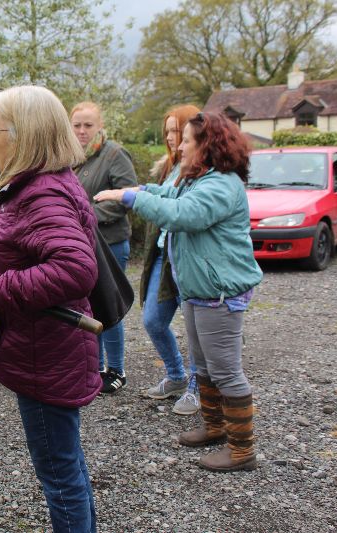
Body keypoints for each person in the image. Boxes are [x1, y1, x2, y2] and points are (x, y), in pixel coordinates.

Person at [0, 86, 99, 532]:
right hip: (42, 346)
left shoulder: (41, 193)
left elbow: (75, 268)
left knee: (59, 473)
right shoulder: (37, 183)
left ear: (24, 136)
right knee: (66, 464)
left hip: (45, 354)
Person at [95, 111, 262, 472]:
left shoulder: (221, 185)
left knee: (225, 371)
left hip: (220, 293)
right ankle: (215, 428)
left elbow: (182, 214)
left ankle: (242, 450)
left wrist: (130, 198)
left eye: (187, 140)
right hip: (200, 292)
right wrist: (140, 191)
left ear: (208, 145)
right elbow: (169, 193)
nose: (180, 146)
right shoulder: (198, 179)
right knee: (204, 366)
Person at [70, 102, 137, 394]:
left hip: (110, 243)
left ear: (100, 126)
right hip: (84, 245)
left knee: (110, 304)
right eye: (77, 125)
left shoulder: (114, 154)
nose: (82, 131)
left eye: (88, 125)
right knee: (90, 305)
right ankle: (95, 367)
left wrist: (84, 217)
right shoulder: (72, 156)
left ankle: (116, 369)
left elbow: (125, 198)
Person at [141, 105, 202, 415]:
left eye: (176, 131)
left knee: (197, 328)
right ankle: (176, 375)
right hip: (164, 254)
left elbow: (178, 211)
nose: (170, 138)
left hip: (188, 257)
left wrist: (135, 197)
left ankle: (198, 387)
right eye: (167, 131)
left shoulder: (201, 172)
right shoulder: (169, 166)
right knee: (152, 320)